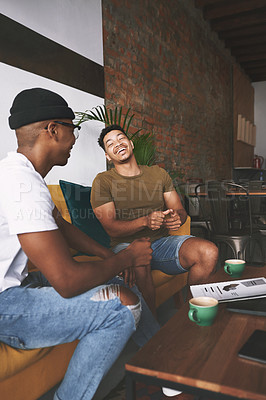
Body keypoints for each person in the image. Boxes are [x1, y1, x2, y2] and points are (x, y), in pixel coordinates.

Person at [0, 89, 156, 400]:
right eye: (73, 128)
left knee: (108, 277)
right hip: (6, 305)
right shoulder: (22, 184)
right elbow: (68, 282)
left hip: (17, 287)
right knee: (122, 306)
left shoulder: (19, 173)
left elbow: (61, 226)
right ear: (53, 130)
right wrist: (127, 259)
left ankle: (158, 360)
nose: (74, 138)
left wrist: (106, 253)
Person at [91, 124, 219, 314]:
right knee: (140, 262)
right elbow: (111, 227)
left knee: (209, 252)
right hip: (127, 246)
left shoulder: (158, 174)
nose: (117, 144)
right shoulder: (103, 181)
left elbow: (180, 211)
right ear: (108, 156)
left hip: (161, 243)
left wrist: (177, 218)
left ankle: (188, 316)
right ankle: (153, 335)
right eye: (110, 144)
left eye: (120, 138)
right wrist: (145, 221)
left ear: (131, 143)